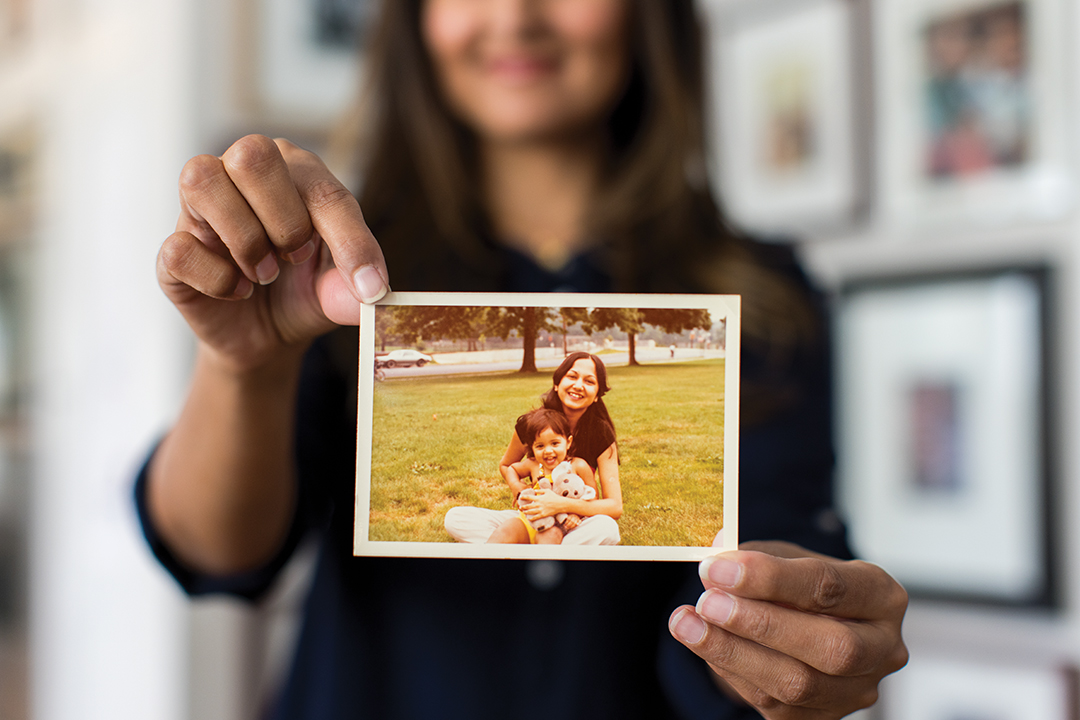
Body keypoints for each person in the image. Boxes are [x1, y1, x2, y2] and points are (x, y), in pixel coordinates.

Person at [139, 1, 908, 718]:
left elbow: (765, 540)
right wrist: (245, 365)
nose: (513, 17)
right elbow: (220, 556)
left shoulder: (768, 298)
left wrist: (768, 620)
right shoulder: (332, 269)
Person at [445, 351, 622, 546]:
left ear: (597, 395)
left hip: (573, 521)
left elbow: (614, 506)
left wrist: (562, 505)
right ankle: (542, 547)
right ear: (557, 383)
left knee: (607, 528)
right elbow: (506, 465)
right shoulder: (533, 424)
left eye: (589, 381)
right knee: (455, 518)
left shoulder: (600, 433)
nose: (578, 385)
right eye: (572, 376)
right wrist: (517, 487)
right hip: (535, 517)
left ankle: (528, 550)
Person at [485, 407, 596, 544]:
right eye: (540, 446)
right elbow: (512, 469)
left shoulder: (577, 465)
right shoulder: (533, 464)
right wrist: (516, 486)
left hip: (558, 525)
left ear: (568, 442)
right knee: (507, 528)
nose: (548, 451)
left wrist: (575, 513)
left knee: (550, 535)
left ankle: (541, 562)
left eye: (555, 443)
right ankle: (486, 562)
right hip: (529, 521)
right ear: (532, 447)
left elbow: (592, 496)